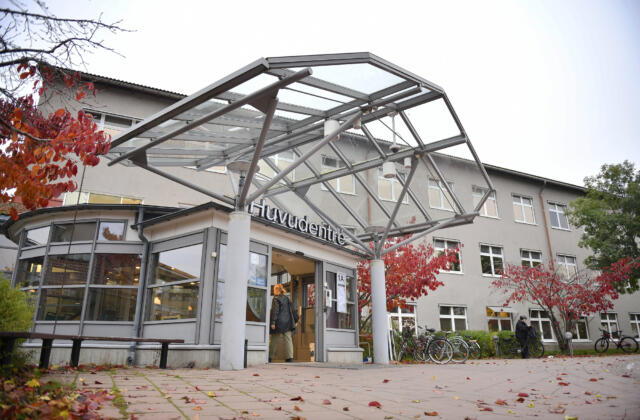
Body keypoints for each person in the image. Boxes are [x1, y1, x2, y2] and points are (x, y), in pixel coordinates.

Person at [269, 284, 298, 363]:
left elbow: (275, 311)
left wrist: (273, 322)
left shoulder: (276, 298)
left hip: (278, 322)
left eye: (274, 289)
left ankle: (269, 357)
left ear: (276, 290)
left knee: (274, 340)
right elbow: (292, 309)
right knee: (288, 339)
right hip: (287, 322)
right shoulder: (287, 298)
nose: (273, 291)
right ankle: (290, 358)